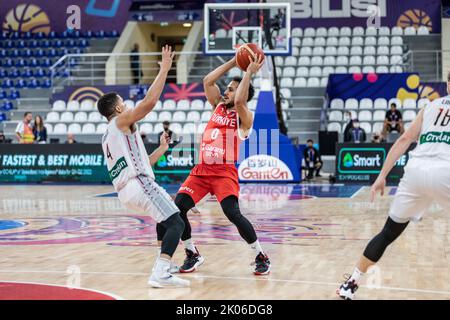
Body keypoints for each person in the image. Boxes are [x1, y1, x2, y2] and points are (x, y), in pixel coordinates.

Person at [156, 54, 271, 276]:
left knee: (232, 213)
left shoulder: (245, 116)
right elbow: (207, 81)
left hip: (223, 172)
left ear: (243, 93)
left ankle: (260, 255)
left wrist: (248, 71)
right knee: (177, 209)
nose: (227, 91)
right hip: (201, 170)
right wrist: (233, 62)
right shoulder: (217, 106)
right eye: (227, 88)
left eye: (232, 89)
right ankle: (192, 252)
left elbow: (239, 101)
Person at [338, 78, 450, 300]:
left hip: (415, 171)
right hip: (445, 170)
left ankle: (351, 283)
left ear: (448, 85)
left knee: (388, 232)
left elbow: (405, 139)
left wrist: (381, 176)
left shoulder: (429, 106)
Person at [97, 45, 189, 288]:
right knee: (176, 222)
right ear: (117, 109)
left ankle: (165, 267)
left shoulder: (108, 136)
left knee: (164, 219)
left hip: (127, 191)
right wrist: (165, 69)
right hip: (138, 184)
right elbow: (148, 103)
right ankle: (161, 272)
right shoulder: (120, 120)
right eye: (124, 103)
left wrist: (161, 150)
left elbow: (141, 163)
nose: (127, 106)